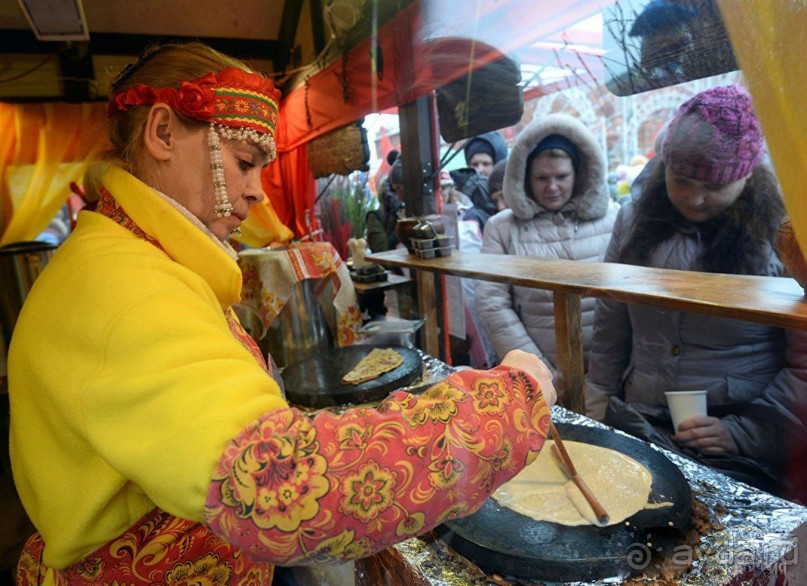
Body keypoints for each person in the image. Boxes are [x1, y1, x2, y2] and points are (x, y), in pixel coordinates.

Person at [7, 42, 558, 584]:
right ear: (162, 133)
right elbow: (279, 485)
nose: (253, 194)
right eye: (244, 163)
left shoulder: (132, 255)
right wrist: (506, 404)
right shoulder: (122, 286)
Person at [584, 85, 807, 496]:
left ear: (747, 176)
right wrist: (597, 403)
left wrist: (747, 432)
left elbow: (805, 360)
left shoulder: (785, 234)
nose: (696, 197)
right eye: (681, 180)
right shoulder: (633, 220)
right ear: (665, 164)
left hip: (738, 436)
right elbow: (611, 322)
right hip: (643, 419)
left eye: (716, 186)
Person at [476, 113, 619, 393]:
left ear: (579, 173)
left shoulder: (613, 219)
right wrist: (539, 373)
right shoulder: (501, 228)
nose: (552, 187)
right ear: (525, 178)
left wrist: (605, 375)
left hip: (607, 376)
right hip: (536, 378)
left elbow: (625, 305)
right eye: (542, 177)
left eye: (561, 176)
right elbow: (493, 305)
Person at [366, 153, 404, 254]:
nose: (400, 196)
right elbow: (382, 255)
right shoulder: (376, 217)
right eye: (397, 190)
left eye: (401, 189)